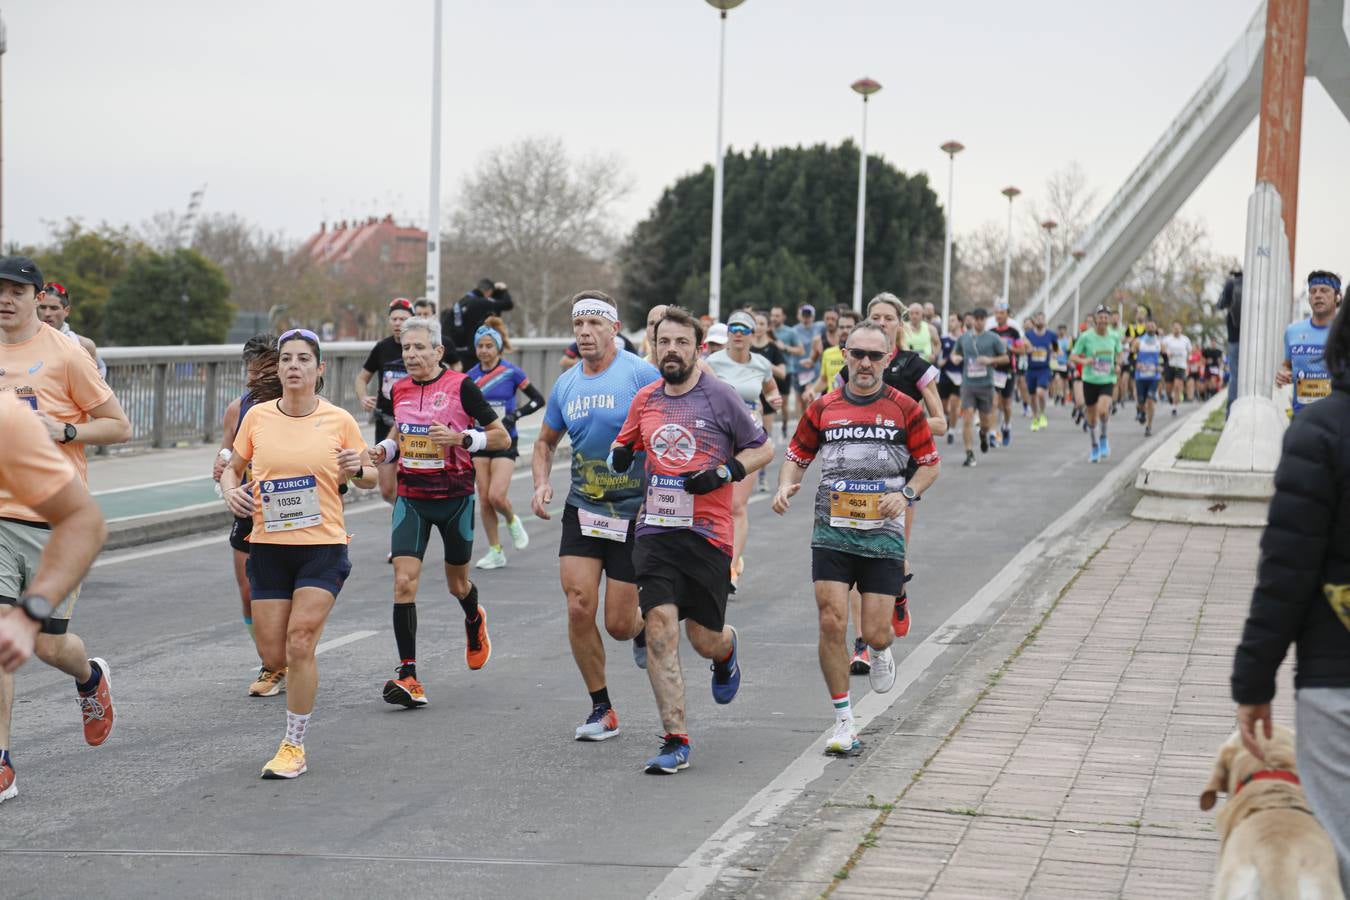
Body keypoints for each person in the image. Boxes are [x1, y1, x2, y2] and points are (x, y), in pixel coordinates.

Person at [607, 306, 774, 774]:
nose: (673, 350)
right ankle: (675, 739)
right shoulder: (645, 399)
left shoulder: (720, 396)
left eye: (683, 343)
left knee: (703, 639)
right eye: (665, 342)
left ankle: (727, 649)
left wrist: (725, 471)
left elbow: (763, 447)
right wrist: (621, 456)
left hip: (708, 535)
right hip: (656, 531)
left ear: (699, 349)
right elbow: (626, 443)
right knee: (659, 629)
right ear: (654, 347)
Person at [773, 321, 940, 754]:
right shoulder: (823, 406)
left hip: (883, 534)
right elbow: (796, 455)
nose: (865, 363)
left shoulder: (905, 408)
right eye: (857, 354)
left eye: (874, 356)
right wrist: (785, 483)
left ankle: (881, 648)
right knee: (831, 620)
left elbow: (929, 464)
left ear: (888, 358)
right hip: (832, 531)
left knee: (877, 633)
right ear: (844, 354)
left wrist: (905, 493)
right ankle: (844, 721)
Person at [0, 255, 130, 799]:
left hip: (56, 519)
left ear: (37, 298)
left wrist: (64, 429)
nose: (4, 299)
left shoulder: (66, 353)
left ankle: (89, 676)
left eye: (15, 291)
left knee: (51, 647)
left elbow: (119, 426)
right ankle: (2, 760)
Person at [220, 328, 377, 779]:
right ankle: (284, 674)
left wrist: (359, 468)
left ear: (318, 369)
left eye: (303, 359)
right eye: (287, 358)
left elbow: (366, 476)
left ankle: (293, 744)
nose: (293, 366)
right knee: (275, 653)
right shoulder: (258, 418)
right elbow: (232, 468)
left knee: (301, 640)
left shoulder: (338, 420)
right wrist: (231, 493)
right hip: (268, 545)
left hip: (322, 546)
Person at [1231, 299, 1350, 888]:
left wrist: (1254, 683)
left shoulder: (1320, 431)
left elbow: (1288, 569)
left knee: (1339, 852)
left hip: (1336, 679)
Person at [532, 292, 660, 742]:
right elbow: (545, 442)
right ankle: (601, 708)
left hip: (633, 513)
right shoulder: (567, 384)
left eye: (593, 323)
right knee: (578, 605)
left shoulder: (641, 374)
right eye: (578, 324)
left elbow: (667, 429)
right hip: (583, 510)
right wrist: (542, 481)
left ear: (613, 327)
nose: (584, 332)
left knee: (620, 625)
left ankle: (642, 628)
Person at [366, 316, 509, 709]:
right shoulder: (399, 389)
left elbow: (501, 435)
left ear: (438, 351)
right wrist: (385, 451)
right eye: (406, 348)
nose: (411, 355)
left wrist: (463, 438)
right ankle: (408, 674)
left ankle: (474, 618)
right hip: (412, 497)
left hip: (455, 498)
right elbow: (400, 434)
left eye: (419, 348)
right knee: (404, 582)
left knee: (457, 585)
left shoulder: (461, 387)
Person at [0, 391, 109, 805]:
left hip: (38, 528)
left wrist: (32, 612)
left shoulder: (8, 418)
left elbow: (84, 522)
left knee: (49, 646)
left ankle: (89, 677)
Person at [212, 334, 287, 696]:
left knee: (282, 592)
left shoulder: (300, 405)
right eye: (250, 369)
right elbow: (227, 455)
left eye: (264, 368)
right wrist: (222, 471)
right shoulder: (237, 409)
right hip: (250, 508)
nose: (255, 377)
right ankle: (270, 663)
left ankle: (280, 660)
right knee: (248, 592)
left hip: (292, 511)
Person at [706, 310, 781, 591]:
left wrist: (773, 401)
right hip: (718, 436)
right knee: (716, 504)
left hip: (749, 438)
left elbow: (771, 390)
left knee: (737, 505)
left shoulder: (761, 363)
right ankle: (715, 557)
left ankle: (730, 569)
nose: (738, 333)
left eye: (744, 329)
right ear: (727, 334)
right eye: (733, 328)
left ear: (753, 335)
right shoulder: (711, 362)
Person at [466, 316, 546, 570]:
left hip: (505, 439)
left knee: (497, 496)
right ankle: (495, 550)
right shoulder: (469, 377)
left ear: (498, 347)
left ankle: (512, 520)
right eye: (480, 346)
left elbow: (537, 399)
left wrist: (515, 415)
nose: (484, 351)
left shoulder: (511, 372)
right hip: (480, 440)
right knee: (485, 498)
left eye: (489, 346)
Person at [356, 298, 414, 505]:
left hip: (411, 424)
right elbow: (362, 378)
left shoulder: (418, 348)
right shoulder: (382, 347)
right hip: (385, 421)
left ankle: (411, 521)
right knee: (387, 490)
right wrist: (363, 396)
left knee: (410, 480)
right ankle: (408, 515)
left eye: (403, 319)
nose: (398, 323)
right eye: (394, 319)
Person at [948, 307, 1008, 468]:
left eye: (983, 319)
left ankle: (983, 435)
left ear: (986, 321)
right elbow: (954, 353)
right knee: (967, 416)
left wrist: (989, 360)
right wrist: (955, 358)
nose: (979, 321)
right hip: (968, 384)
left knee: (985, 422)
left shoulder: (993, 338)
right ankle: (969, 454)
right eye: (977, 318)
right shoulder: (964, 338)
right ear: (973, 320)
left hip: (986, 385)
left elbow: (1005, 358)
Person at [1275, 270, 1342, 415]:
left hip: (1337, 420)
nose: (1317, 295)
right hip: (1302, 418)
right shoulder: (1292, 331)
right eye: (1313, 291)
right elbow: (1288, 365)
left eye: (1324, 291)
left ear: (1337, 297)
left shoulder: (1345, 333)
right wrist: (1283, 373)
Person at [1070, 306, 1125, 463]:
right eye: (1100, 317)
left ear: (1108, 320)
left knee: (1103, 410)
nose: (1103, 320)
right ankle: (1094, 446)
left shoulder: (1114, 336)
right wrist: (1084, 361)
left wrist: (1118, 364)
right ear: (1095, 319)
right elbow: (1073, 356)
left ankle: (1103, 437)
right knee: (1092, 417)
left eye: (1105, 317)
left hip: (1107, 380)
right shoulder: (1086, 337)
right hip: (1090, 380)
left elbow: (1119, 353)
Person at [444, 279, 514, 371]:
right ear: (489, 292)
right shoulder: (481, 302)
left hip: (458, 354)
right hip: (474, 355)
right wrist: (503, 290)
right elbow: (507, 304)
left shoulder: (460, 303)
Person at [36, 283, 104, 378]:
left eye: (54, 308)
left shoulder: (83, 345)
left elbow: (94, 386)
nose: (47, 313)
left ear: (66, 311)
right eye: (42, 307)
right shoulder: (22, 341)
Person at [750, 310, 788, 458]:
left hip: (767, 396)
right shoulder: (746, 346)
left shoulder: (773, 348)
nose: (758, 327)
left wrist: (765, 364)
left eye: (762, 324)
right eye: (756, 323)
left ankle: (762, 475)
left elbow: (782, 373)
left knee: (763, 437)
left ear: (768, 327)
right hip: (750, 396)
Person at [989, 303, 1023, 446]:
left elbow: (1021, 350)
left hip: (1009, 371)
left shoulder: (1013, 332)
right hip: (995, 371)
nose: (998, 315)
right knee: (994, 403)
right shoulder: (991, 332)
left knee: (1007, 405)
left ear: (1007, 315)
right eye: (996, 313)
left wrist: (1010, 348)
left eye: (1001, 313)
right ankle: (993, 433)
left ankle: (1007, 426)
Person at [769, 305, 805, 434]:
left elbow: (801, 350)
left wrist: (785, 348)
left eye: (777, 316)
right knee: (768, 403)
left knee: (783, 405)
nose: (774, 318)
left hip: (786, 372)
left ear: (783, 317)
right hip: (768, 372)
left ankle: (784, 424)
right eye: (772, 315)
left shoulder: (790, 332)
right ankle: (768, 430)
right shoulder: (766, 331)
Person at [1023, 312, 1057, 432]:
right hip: (1031, 369)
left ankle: (1042, 414)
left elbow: (1057, 351)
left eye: (1042, 318)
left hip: (1044, 369)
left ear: (1045, 321)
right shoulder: (1028, 335)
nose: (1040, 321)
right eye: (1037, 319)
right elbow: (1022, 349)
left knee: (1041, 393)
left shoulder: (1051, 335)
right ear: (1034, 321)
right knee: (1032, 396)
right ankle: (1035, 417)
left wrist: (1053, 350)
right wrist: (1028, 350)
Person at [1130, 320, 1163, 437]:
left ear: (1156, 327)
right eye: (1148, 326)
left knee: (1150, 400)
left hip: (1154, 377)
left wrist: (1161, 366)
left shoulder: (1159, 342)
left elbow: (1165, 357)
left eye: (1152, 325)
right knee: (1141, 401)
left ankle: (1149, 426)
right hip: (1141, 376)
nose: (1150, 327)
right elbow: (1131, 356)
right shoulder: (1139, 341)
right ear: (1145, 328)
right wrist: (1136, 364)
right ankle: (1141, 411)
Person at [1217, 270, 1242, 414]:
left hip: (1234, 336)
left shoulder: (1231, 284)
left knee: (1235, 376)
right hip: (1253, 339)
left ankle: (1231, 411)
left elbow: (1220, 304)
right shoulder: (1254, 285)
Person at [937, 315, 964, 446]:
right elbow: (939, 361)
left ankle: (952, 431)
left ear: (960, 322)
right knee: (943, 407)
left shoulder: (965, 339)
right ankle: (948, 419)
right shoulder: (944, 339)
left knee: (954, 404)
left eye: (953, 321)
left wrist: (961, 358)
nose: (950, 323)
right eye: (949, 321)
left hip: (960, 377)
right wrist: (949, 357)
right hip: (945, 376)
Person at [1160, 321, 1192, 414]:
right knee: (1168, 388)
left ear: (1181, 329)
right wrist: (1166, 353)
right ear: (1172, 328)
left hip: (1181, 365)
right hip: (1170, 365)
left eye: (1178, 328)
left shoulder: (1185, 339)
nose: (1176, 330)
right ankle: (1169, 396)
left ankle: (1174, 407)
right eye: (1175, 328)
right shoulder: (1167, 339)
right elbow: (1162, 349)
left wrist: (1187, 361)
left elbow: (1189, 351)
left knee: (1178, 386)